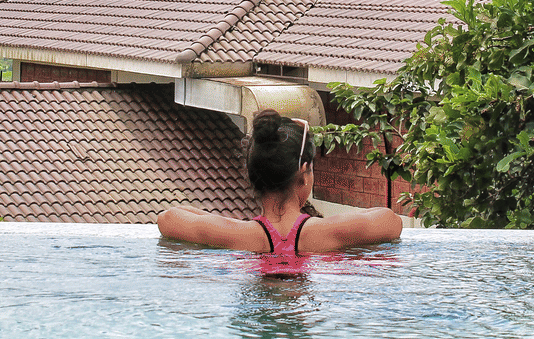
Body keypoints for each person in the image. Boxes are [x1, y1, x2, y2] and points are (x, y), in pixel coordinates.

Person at [156, 109, 403, 257]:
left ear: (253, 174)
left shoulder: (237, 235)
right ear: (304, 173)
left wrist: (223, 223)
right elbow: (391, 221)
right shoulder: (328, 233)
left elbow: (168, 218)